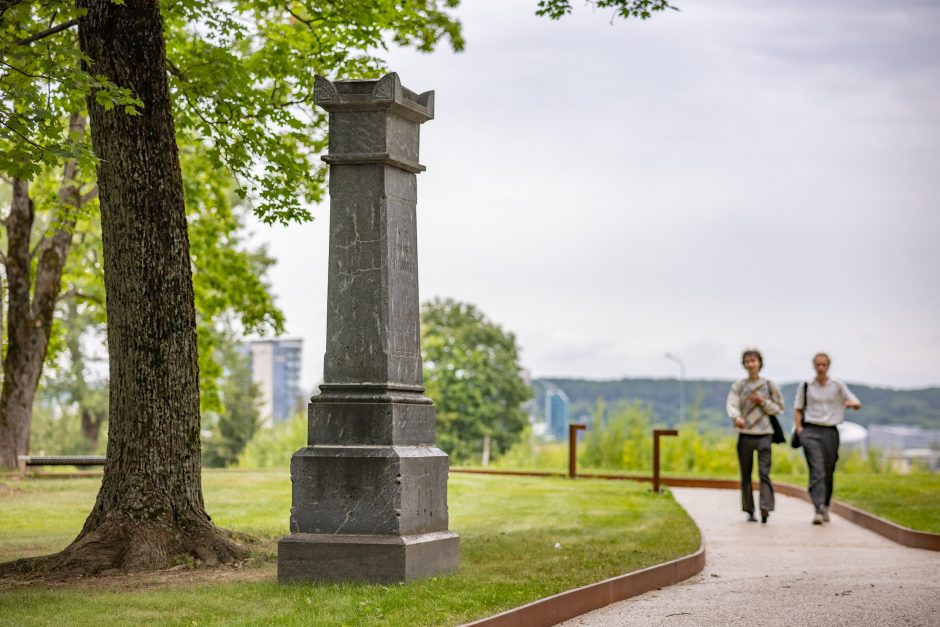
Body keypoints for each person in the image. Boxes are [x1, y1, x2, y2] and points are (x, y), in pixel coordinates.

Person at [794, 352, 862, 525]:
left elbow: (856, 402)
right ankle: (817, 507)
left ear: (828, 366)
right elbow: (798, 408)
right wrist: (800, 429)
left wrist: (850, 404)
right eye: (818, 365)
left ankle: (825, 504)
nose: (821, 368)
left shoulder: (838, 385)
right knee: (817, 469)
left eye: (824, 365)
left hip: (830, 431)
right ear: (814, 366)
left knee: (828, 470)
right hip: (810, 430)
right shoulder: (806, 386)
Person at [726, 348, 784, 523]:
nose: (751, 364)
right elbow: (732, 404)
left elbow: (779, 408)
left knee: (764, 473)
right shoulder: (739, 386)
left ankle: (765, 507)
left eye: (754, 361)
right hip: (745, 434)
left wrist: (762, 402)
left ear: (759, 363)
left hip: (765, 433)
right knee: (746, 473)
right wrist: (736, 417)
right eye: (747, 361)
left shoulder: (769, 385)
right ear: (744, 364)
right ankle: (749, 509)